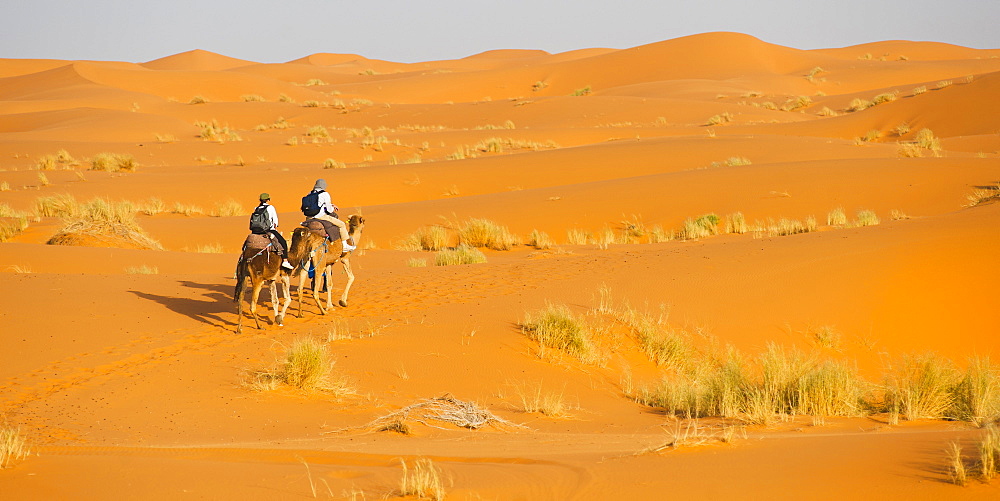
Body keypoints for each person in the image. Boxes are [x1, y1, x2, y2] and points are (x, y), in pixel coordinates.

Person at [302, 179, 355, 252]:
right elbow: (329, 210)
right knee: (342, 224)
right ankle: (345, 245)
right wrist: (332, 207)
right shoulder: (325, 194)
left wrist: (330, 205)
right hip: (320, 216)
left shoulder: (310, 193)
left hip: (309, 217)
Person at [251, 193, 293, 270]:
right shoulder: (270, 207)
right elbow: (275, 221)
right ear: (268, 200)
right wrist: (275, 228)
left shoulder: (257, 208)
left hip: (255, 231)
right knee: (283, 242)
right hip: (268, 230)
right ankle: (285, 260)